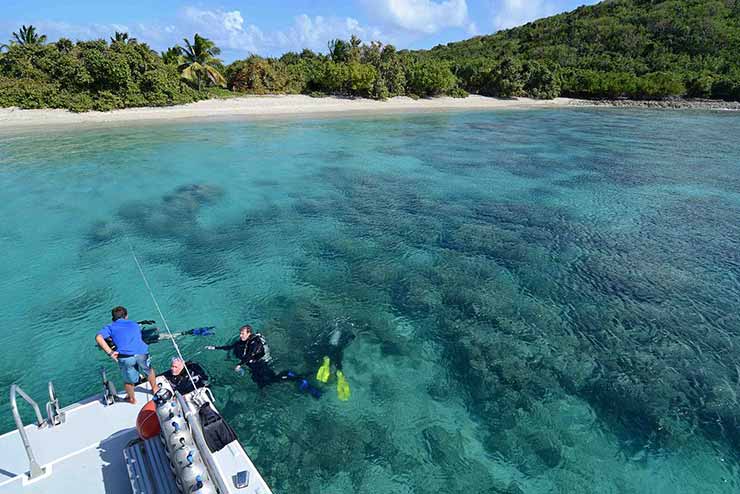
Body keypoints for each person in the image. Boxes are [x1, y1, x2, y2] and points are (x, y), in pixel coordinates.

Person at [205, 324, 321, 398]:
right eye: (240, 333)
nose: (240, 336)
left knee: (275, 379)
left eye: (243, 333)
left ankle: (297, 376)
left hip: (261, 365)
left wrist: (239, 365)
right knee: (259, 382)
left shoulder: (255, 342)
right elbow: (230, 347)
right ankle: (264, 392)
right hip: (253, 368)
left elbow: (250, 355)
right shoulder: (242, 341)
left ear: (249, 333)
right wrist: (214, 348)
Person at [95, 306, 159, 404]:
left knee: (128, 381)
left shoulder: (110, 327)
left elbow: (98, 337)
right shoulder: (134, 324)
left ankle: (131, 399)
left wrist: (111, 353)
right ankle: (154, 389)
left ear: (113, 318)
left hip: (126, 358)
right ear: (126, 316)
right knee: (148, 370)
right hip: (141, 353)